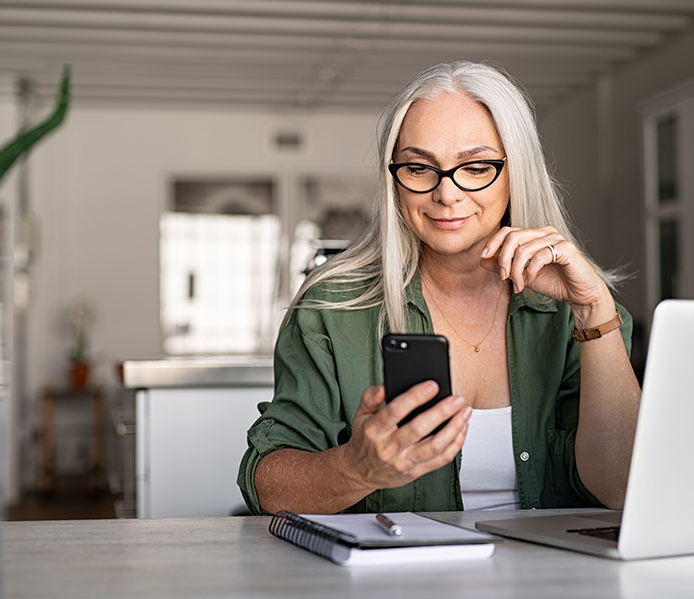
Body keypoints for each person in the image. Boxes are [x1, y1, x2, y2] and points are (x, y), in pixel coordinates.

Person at [237, 61, 641, 515]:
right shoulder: (332, 307)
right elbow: (268, 486)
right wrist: (356, 468)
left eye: (475, 167)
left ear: (516, 172)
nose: (446, 194)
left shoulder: (582, 312)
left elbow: (622, 487)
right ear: (395, 181)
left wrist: (593, 312)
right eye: (418, 168)